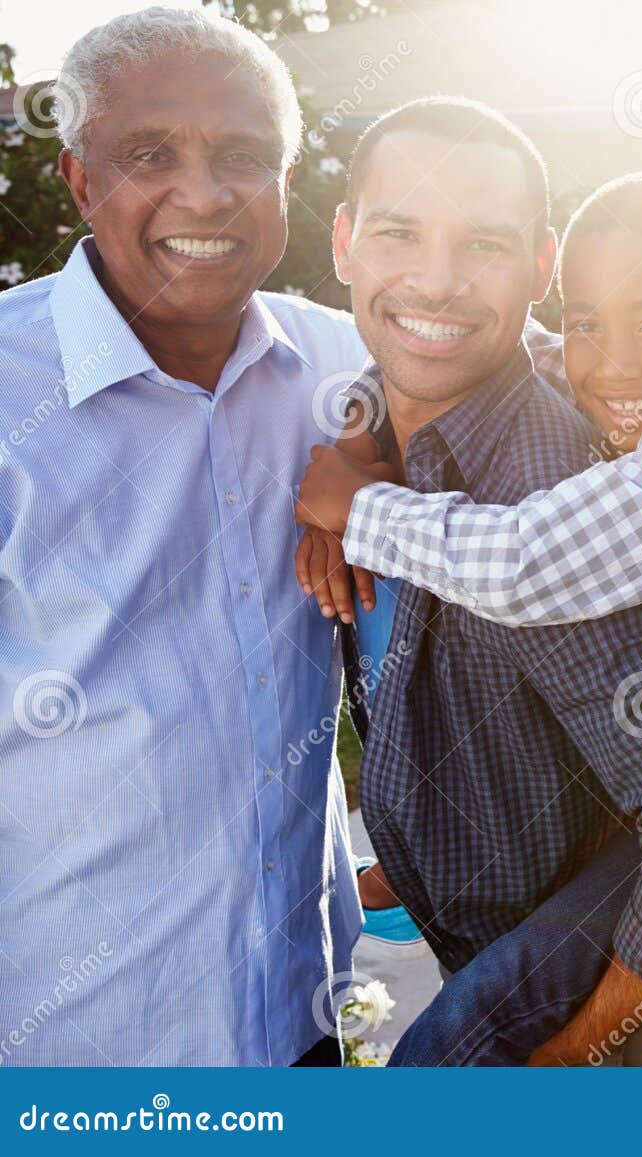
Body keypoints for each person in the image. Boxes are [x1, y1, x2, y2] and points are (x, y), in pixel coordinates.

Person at [297, 103, 642, 1067]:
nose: (436, 279)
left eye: (484, 243)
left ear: (541, 266)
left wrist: (576, 1050)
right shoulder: (385, 437)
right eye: (400, 232)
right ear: (346, 243)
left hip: (634, 1007)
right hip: (510, 957)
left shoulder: (554, 497)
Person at [0, 6, 367, 1065]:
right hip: (77, 1048)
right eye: (150, 153)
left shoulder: (349, 365)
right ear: (79, 178)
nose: (203, 194)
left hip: (301, 1025)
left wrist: (370, 448)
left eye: (243, 156)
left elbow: (580, 389)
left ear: (285, 184)